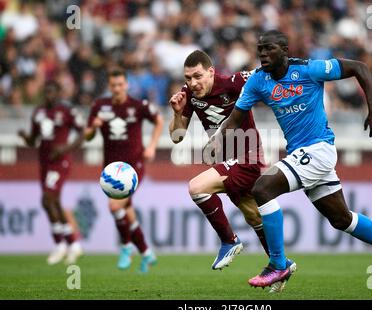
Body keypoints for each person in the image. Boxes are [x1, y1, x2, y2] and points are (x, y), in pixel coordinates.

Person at [207, 30, 372, 289]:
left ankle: (278, 264)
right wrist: (218, 139)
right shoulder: (257, 81)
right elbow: (236, 118)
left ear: (285, 50)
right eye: (260, 49)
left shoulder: (310, 70)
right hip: (302, 155)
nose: (263, 53)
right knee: (342, 219)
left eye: (269, 48)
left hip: (318, 150)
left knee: (262, 189)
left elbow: (360, 68)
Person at [169, 50, 280, 282]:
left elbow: (266, 75)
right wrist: (177, 114)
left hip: (248, 156)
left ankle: (229, 240)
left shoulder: (233, 82)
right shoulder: (187, 94)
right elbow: (177, 136)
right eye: (188, 78)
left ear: (211, 72)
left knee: (197, 187)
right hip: (227, 161)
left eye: (198, 76)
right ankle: (280, 265)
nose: (193, 83)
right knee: (253, 216)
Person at [85, 69, 164, 273]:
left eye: (121, 84)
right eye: (113, 85)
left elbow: (159, 120)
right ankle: (146, 253)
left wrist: (152, 146)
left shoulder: (137, 106)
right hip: (111, 169)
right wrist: (93, 128)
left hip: (133, 167)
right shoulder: (99, 106)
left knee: (114, 206)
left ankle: (126, 247)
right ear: (109, 87)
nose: (117, 89)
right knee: (127, 212)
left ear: (126, 85)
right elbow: (87, 136)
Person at [18, 81, 84, 265]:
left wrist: (65, 148)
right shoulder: (38, 113)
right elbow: (33, 140)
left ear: (58, 93)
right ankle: (73, 244)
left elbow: (83, 133)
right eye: (46, 92)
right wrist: (25, 137)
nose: (49, 96)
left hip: (60, 161)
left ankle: (60, 244)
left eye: (52, 92)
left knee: (47, 199)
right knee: (52, 202)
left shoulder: (66, 112)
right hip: (45, 162)